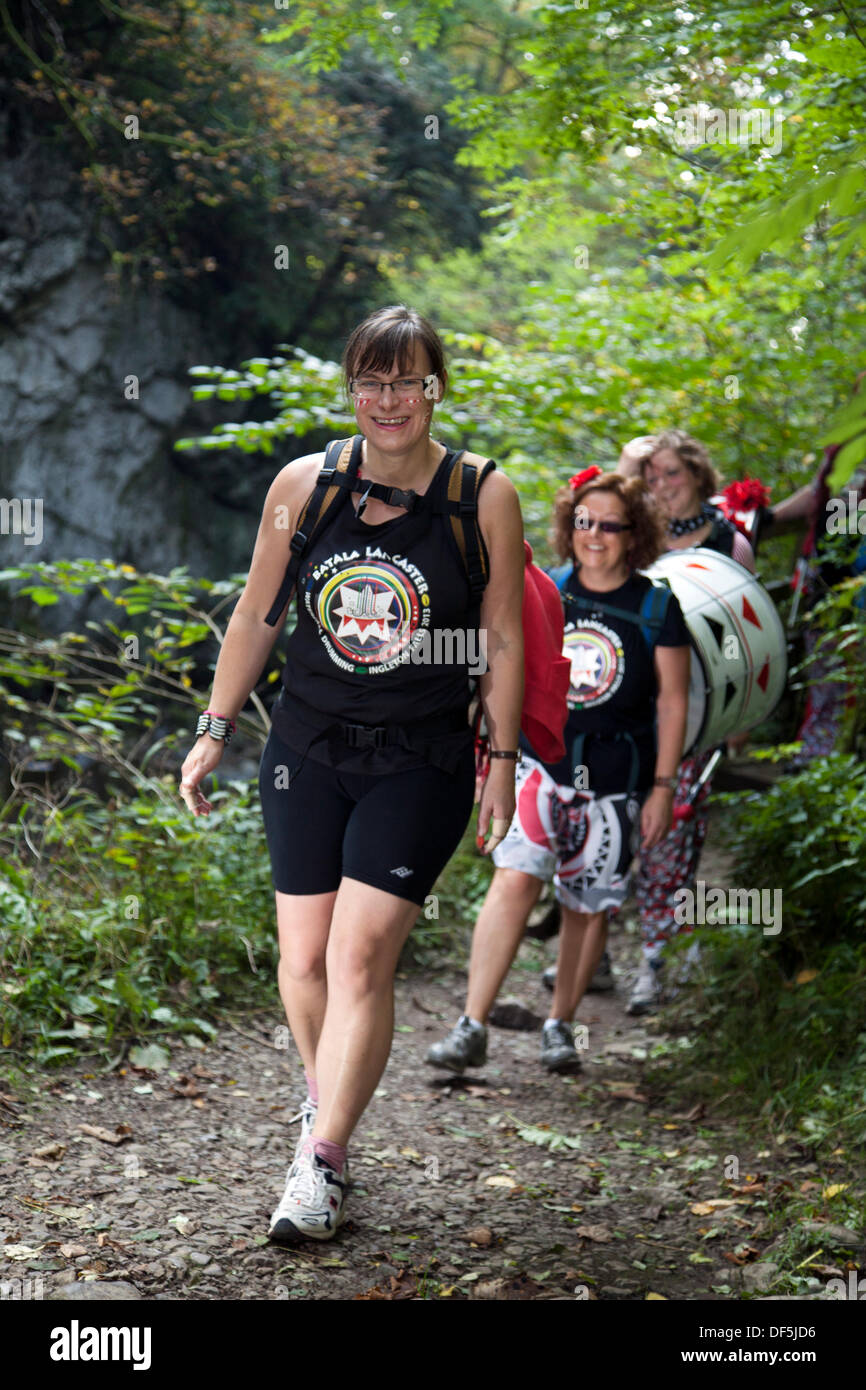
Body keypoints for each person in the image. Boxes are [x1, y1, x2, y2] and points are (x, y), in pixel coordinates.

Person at [177, 305, 525, 1242]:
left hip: (424, 755)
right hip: (307, 748)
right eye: (370, 382)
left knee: (359, 956)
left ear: (434, 387)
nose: (387, 400)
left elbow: (500, 634)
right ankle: (324, 1102)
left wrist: (501, 759)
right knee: (302, 962)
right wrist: (214, 729)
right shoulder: (308, 484)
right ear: (351, 390)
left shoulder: (479, 493)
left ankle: (322, 1163)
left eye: (405, 380)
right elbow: (257, 614)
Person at [426, 467, 690, 1075]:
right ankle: (472, 1024)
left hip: (618, 780)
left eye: (610, 526)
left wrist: (663, 788)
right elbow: (500, 668)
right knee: (514, 879)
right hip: (542, 767)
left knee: (585, 904)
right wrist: (489, 755)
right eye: (583, 522)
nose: (594, 535)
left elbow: (673, 701)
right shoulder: (544, 588)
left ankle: (560, 1027)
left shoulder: (655, 606)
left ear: (635, 533)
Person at [616, 430, 756, 1013]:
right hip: (628, 705)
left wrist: (738, 714)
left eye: (672, 473)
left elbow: (743, 639)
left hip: (698, 710)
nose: (662, 485)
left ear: (698, 476)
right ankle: (587, 954)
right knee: (612, 822)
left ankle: (656, 960)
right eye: (652, 476)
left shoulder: (730, 541)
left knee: (671, 830)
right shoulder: (635, 539)